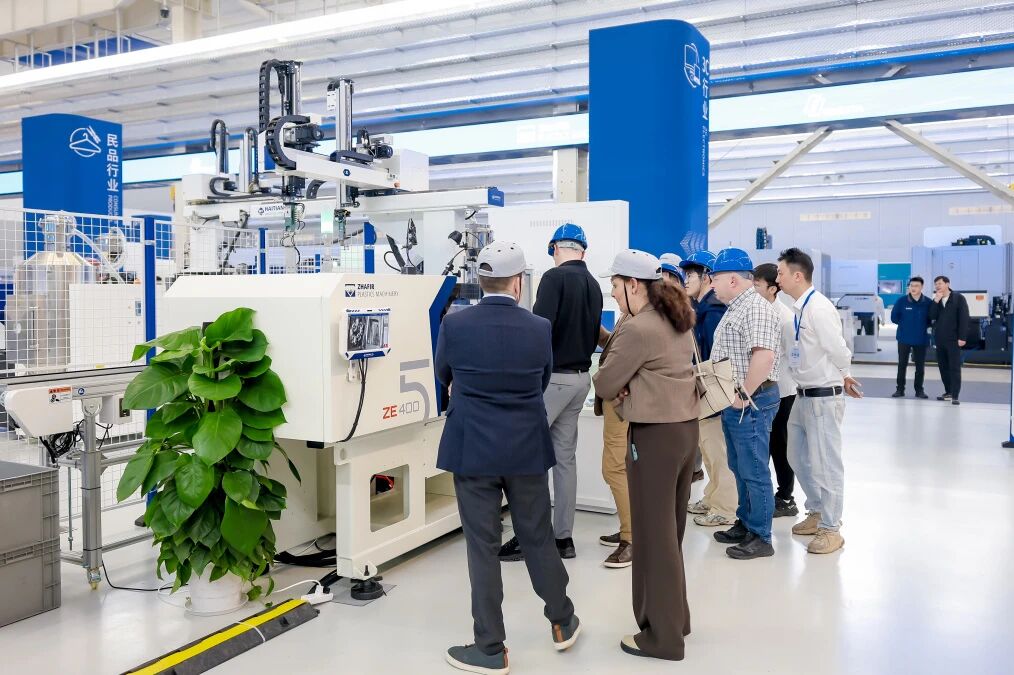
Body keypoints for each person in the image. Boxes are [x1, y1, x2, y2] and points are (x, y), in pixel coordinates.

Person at [436, 241, 580, 674]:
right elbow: (541, 381)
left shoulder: (454, 325)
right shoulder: (538, 328)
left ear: (481, 281)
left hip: (472, 450)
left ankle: (490, 648)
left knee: (482, 546)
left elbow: (443, 375)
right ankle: (562, 620)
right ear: (518, 283)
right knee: (537, 537)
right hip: (525, 448)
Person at [592, 249, 699, 661]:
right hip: (684, 433)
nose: (613, 293)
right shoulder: (677, 319)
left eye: (615, 285)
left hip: (654, 438)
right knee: (670, 534)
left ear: (633, 284)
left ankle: (664, 639)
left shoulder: (638, 329)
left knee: (654, 539)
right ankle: (677, 619)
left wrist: (626, 385)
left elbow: (604, 384)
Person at [498, 223, 602, 562]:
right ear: (582, 250)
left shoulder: (554, 278)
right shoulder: (594, 284)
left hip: (552, 381)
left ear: (555, 248)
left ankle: (531, 537)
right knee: (564, 460)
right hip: (581, 379)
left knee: (530, 457)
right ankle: (563, 539)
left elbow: (538, 329)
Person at [776, 247, 862, 555]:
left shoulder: (819, 308)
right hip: (803, 395)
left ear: (798, 275)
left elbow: (838, 349)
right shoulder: (800, 309)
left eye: (781, 273)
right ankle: (816, 510)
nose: (777, 279)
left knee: (827, 465)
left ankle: (831, 528)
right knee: (796, 456)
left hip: (823, 397)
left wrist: (845, 373)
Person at [709, 248, 781, 560]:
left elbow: (763, 356)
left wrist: (744, 395)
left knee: (754, 469)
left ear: (733, 280)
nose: (711, 284)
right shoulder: (736, 307)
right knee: (739, 466)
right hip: (737, 399)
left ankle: (761, 536)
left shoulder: (755, 308)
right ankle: (746, 523)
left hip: (752, 400)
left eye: (715, 278)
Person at [680, 251, 738, 528]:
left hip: (713, 392)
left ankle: (725, 508)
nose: (685, 279)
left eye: (691, 274)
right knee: (708, 448)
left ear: (706, 277)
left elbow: (716, 358)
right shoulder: (701, 308)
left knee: (717, 451)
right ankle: (712, 496)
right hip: (703, 391)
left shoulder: (713, 311)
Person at [752, 263, 799, 518]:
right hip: (763, 390)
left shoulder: (785, 317)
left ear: (772, 289)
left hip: (783, 391)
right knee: (765, 444)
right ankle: (767, 494)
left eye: (757, 284)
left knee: (780, 445)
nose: (752, 288)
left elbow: (794, 355)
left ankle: (786, 497)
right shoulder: (757, 311)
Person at [594, 311, 633, 569]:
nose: (614, 293)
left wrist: (601, 380)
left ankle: (631, 538)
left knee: (613, 468)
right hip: (619, 402)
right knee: (620, 468)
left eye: (618, 290)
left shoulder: (639, 319)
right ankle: (629, 529)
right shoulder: (627, 316)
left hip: (622, 402)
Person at [929, 275, 970, 405]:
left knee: (954, 367)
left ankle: (955, 395)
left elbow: (964, 318)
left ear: (947, 284)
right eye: (936, 284)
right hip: (940, 339)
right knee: (943, 367)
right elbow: (931, 316)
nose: (937, 286)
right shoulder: (937, 300)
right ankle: (948, 392)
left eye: (940, 283)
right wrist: (935, 301)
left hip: (954, 339)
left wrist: (962, 337)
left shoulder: (958, 298)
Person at [891, 277, 932, 399]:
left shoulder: (928, 302)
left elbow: (932, 318)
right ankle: (900, 389)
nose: (913, 288)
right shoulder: (902, 301)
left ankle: (919, 390)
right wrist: (905, 325)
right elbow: (894, 317)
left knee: (920, 366)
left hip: (921, 339)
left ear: (922, 287)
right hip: (904, 338)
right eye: (911, 286)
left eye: (916, 286)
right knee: (902, 365)